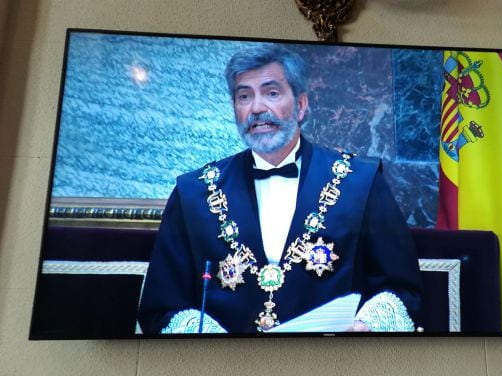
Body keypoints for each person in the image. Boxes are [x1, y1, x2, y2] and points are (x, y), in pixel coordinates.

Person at [137, 44, 424, 334]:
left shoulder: (360, 182)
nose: (257, 108)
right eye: (244, 96)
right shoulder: (193, 193)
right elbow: (161, 306)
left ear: (300, 105)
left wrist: (365, 326)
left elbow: (401, 287)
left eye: (271, 93)